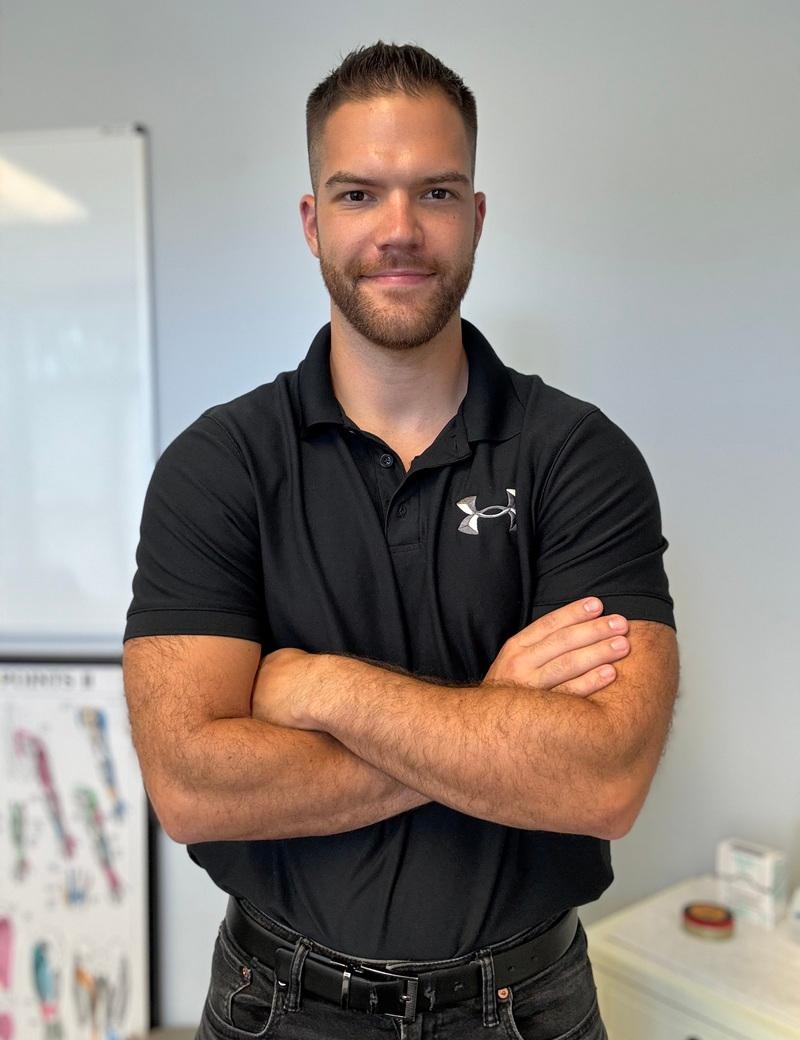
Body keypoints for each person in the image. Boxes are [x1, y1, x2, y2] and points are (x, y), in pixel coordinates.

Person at [123, 41, 678, 1040]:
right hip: (275, 1003)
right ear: (312, 221)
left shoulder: (579, 457)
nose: (398, 230)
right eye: (357, 194)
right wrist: (494, 716)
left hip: (527, 1005)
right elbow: (191, 786)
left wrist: (319, 687)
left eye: (434, 191)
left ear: (476, 215)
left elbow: (602, 781)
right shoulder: (219, 466)